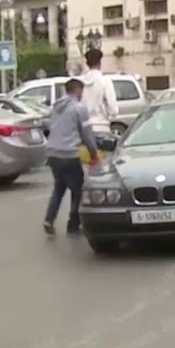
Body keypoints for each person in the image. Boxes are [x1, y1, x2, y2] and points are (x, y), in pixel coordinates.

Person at [44, 78, 100, 236]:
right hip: (69, 154)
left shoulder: (56, 108)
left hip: (53, 153)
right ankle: (73, 223)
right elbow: (87, 134)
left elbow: (49, 127)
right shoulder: (79, 108)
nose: (82, 95)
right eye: (81, 91)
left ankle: (49, 219)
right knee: (78, 190)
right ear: (77, 90)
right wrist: (94, 154)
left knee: (59, 188)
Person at [80, 48, 119, 144]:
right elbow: (113, 109)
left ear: (87, 64)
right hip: (101, 127)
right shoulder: (105, 81)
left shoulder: (80, 83)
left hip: (83, 130)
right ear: (100, 63)